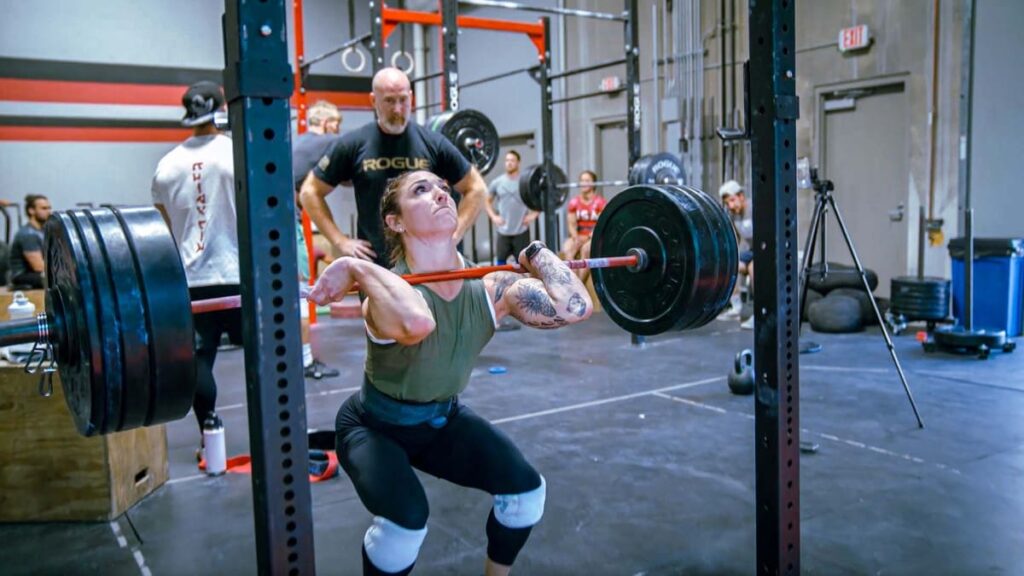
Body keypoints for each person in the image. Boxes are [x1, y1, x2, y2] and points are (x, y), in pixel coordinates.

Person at [308, 170, 593, 576]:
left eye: (444, 188)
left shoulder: (491, 287)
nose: (441, 194)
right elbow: (417, 324)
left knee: (526, 494)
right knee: (405, 526)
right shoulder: (385, 293)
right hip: (373, 427)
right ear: (395, 221)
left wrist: (537, 253)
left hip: (442, 421)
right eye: (421, 190)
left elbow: (574, 308)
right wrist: (357, 267)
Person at [299, 67, 487, 268]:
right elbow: (310, 192)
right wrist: (340, 241)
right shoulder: (352, 144)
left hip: (428, 265)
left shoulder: (433, 143)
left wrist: (455, 233)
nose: (397, 109)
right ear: (373, 100)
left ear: (411, 98)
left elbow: (476, 188)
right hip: (376, 266)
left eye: (403, 100)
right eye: (389, 101)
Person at [151, 81, 240, 445]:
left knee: (199, 359)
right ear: (221, 108)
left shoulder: (166, 166)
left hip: (192, 280)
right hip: (240, 276)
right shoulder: (240, 154)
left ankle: (211, 432)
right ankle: (278, 432)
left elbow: (165, 229)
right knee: (270, 354)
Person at [292, 100, 343, 379]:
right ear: (327, 124)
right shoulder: (326, 141)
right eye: (336, 126)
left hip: (272, 222)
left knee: (287, 293)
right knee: (300, 292)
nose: (338, 132)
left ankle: (294, 360)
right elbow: (350, 172)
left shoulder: (299, 143)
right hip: (287, 224)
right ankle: (305, 362)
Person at [485, 150, 539, 264]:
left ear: (518, 163)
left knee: (524, 265)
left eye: (512, 160)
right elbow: (486, 201)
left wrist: (533, 215)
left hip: (521, 231)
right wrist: (494, 217)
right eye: (507, 160)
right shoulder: (497, 182)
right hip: (503, 232)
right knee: (500, 266)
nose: (509, 163)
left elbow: (539, 200)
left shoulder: (525, 181)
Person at [718, 179, 754, 329]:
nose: (731, 206)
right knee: (729, 263)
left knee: (753, 268)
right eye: (727, 203)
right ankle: (736, 306)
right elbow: (737, 238)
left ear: (741, 196)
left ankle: (758, 314)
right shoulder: (734, 214)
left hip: (767, 248)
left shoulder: (754, 208)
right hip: (751, 251)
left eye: (732, 200)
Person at [561, 170, 607, 284]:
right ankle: (572, 283)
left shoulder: (600, 202)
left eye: (587, 180)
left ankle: (580, 284)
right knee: (567, 248)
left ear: (593, 184)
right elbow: (571, 224)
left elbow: (601, 224)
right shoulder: (574, 202)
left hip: (593, 236)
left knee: (586, 249)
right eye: (582, 180)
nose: (583, 183)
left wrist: (589, 237)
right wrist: (575, 237)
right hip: (579, 235)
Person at [7, 194, 51, 289]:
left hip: (36, 274)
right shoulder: (28, 234)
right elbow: (38, 266)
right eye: (44, 208)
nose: (48, 211)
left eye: (49, 208)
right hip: (23, 276)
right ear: (31, 210)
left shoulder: (43, 232)